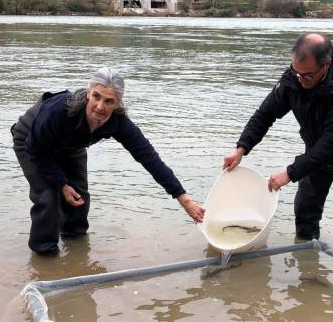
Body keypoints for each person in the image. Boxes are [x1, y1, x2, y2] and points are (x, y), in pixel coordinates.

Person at [222, 34, 333, 253]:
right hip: (316, 152)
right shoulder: (294, 77)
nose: (300, 80)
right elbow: (265, 114)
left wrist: (290, 173)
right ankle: (307, 266)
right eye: (296, 72)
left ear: (326, 65)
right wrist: (241, 148)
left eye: (308, 76)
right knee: (305, 212)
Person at [12, 67, 205, 255]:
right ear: (89, 93)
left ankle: (76, 249)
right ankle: (45, 258)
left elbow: (149, 157)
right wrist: (62, 184)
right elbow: (37, 151)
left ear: (118, 103)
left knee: (79, 197)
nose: (100, 107)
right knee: (49, 196)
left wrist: (183, 199)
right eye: (96, 96)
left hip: (70, 147)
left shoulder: (118, 122)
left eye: (109, 101)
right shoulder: (58, 110)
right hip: (31, 142)